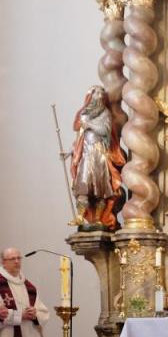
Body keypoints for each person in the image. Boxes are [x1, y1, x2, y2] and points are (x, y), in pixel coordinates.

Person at [68, 85, 126, 229]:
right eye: (96, 93)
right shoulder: (84, 113)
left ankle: (100, 218)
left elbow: (104, 130)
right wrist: (73, 150)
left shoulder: (105, 113)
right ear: (90, 96)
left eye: (101, 93)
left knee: (101, 187)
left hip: (99, 152)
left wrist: (89, 124)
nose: (99, 96)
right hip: (85, 153)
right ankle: (81, 217)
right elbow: (79, 133)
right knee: (83, 184)